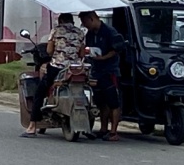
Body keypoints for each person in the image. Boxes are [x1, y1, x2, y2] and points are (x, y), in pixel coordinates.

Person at [22, 13, 87, 137]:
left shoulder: (56, 31)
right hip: (75, 69)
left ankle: (32, 126)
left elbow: (49, 51)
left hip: (57, 67)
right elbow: (82, 53)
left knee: (39, 93)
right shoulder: (80, 32)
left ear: (60, 21)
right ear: (72, 21)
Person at [80, 11, 123, 141]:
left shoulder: (110, 32)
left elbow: (117, 49)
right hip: (96, 71)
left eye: (85, 22)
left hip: (110, 71)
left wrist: (103, 57)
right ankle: (103, 129)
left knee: (113, 102)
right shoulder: (90, 34)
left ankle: (114, 132)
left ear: (92, 19)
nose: (84, 25)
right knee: (101, 101)